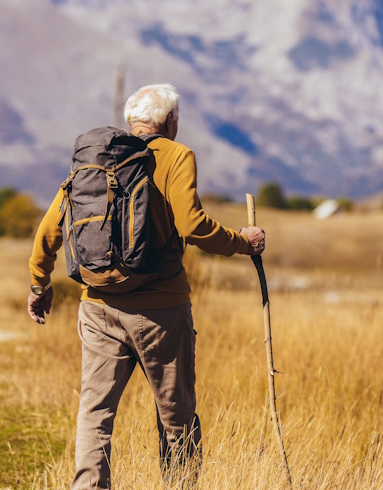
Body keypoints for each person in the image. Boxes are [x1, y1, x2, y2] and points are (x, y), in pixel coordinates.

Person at [27, 83, 265, 489]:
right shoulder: (176, 155)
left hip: (98, 306)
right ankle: (181, 484)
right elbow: (192, 226)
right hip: (161, 310)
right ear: (170, 121)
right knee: (176, 415)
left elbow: (51, 227)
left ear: (131, 121)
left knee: (95, 413)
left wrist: (38, 284)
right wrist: (242, 242)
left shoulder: (97, 158)